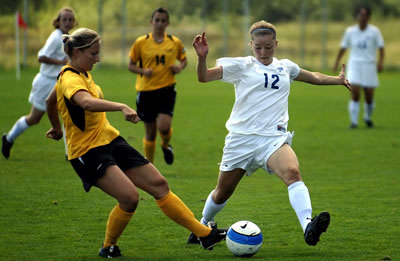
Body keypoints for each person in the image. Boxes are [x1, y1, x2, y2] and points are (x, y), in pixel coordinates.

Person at [45, 27, 226, 258]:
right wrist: (121, 106)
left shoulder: (79, 74)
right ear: (78, 52)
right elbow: (86, 103)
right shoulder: (69, 78)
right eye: (93, 53)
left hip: (109, 139)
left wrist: (56, 127)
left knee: (159, 185)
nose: (98, 58)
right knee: (129, 198)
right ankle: (108, 246)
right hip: (87, 151)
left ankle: (204, 235)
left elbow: (51, 100)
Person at [188, 21, 351, 247]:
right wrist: (202, 57)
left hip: (273, 139)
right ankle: (203, 225)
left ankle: (308, 226)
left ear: (276, 44)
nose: (263, 52)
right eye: (258, 47)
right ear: (251, 45)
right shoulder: (242, 66)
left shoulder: (286, 67)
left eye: (268, 47)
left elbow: (313, 76)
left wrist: (338, 80)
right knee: (222, 193)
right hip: (241, 139)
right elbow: (204, 77)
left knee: (293, 172)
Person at [2, 7, 76, 159]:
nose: (68, 22)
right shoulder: (56, 37)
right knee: (34, 118)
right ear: (58, 21)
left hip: (60, 83)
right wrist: (60, 62)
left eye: (70, 20)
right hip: (45, 82)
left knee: (69, 114)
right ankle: (8, 138)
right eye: (65, 19)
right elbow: (41, 56)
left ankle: (70, 154)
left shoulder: (68, 38)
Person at [128, 7, 187, 165]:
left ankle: (166, 145)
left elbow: (184, 60)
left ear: (167, 23)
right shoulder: (141, 42)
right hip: (146, 91)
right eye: (157, 20)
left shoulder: (174, 42)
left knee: (164, 127)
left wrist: (178, 68)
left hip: (166, 90)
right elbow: (131, 65)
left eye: (163, 21)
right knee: (151, 133)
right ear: (151, 22)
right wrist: (142, 71)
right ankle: (151, 167)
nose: (160, 24)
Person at [333, 6, 384, 128]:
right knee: (354, 93)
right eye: (361, 15)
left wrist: (381, 62)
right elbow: (343, 48)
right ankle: (354, 122)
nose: (363, 17)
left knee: (369, 96)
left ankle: (367, 117)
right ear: (357, 16)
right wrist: (336, 62)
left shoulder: (375, 31)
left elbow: (381, 48)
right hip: (355, 65)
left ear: (369, 17)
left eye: (365, 15)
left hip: (369, 65)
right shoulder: (350, 31)